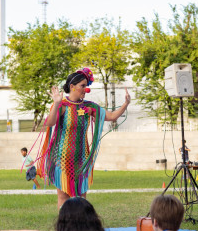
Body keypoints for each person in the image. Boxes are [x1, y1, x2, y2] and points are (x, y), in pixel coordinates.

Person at [38, 68, 130, 208]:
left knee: (81, 200)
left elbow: (111, 116)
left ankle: (81, 228)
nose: (85, 89)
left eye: (86, 86)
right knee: (63, 198)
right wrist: (56, 103)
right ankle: (64, 229)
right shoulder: (62, 105)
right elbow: (49, 123)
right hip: (61, 158)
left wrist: (125, 104)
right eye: (82, 86)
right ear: (72, 87)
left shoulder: (89, 107)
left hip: (82, 159)